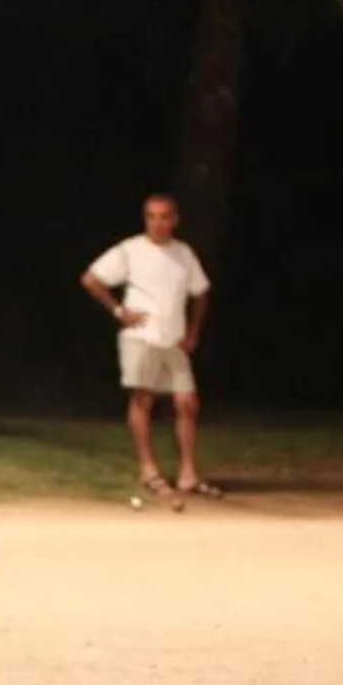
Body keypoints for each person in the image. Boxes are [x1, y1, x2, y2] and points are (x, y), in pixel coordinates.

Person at [81, 194, 214, 497]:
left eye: (164, 216)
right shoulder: (131, 250)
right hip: (141, 336)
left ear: (175, 220)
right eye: (152, 216)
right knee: (143, 400)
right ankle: (148, 469)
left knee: (187, 402)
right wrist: (118, 311)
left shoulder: (184, 254)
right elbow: (91, 279)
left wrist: (193, 331)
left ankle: (188, 473)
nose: (158, 223)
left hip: (173, 339)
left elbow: (201, 293)